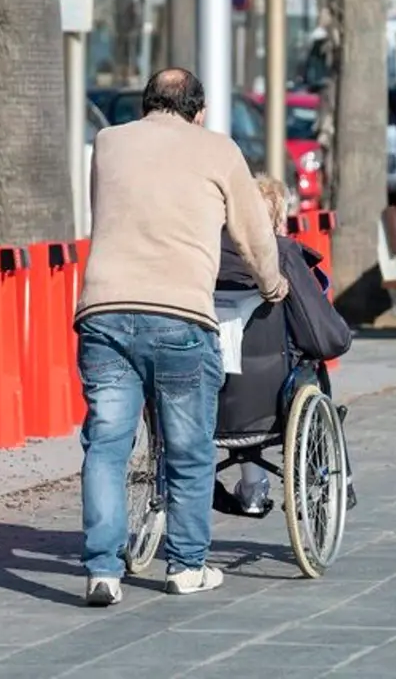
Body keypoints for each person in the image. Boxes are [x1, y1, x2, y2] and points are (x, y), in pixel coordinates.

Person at [74, 68, 288, 606]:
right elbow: (254, 232)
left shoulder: (108, 142)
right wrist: (273, 283)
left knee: (106, 444)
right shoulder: (218, 150)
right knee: (190, 449)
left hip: (104, 310)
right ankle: (186, 565)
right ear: (199, 113)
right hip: (179, 314)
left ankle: (103, 570)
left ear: (147, 103)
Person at [213, 175, 355, 516]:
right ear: (277, 221)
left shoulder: (202, 253)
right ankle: (335, 478)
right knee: (312, 368)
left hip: (205, 393)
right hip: (270, 399)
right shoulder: (285, 253)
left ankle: (250, 487)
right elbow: (325, 337)